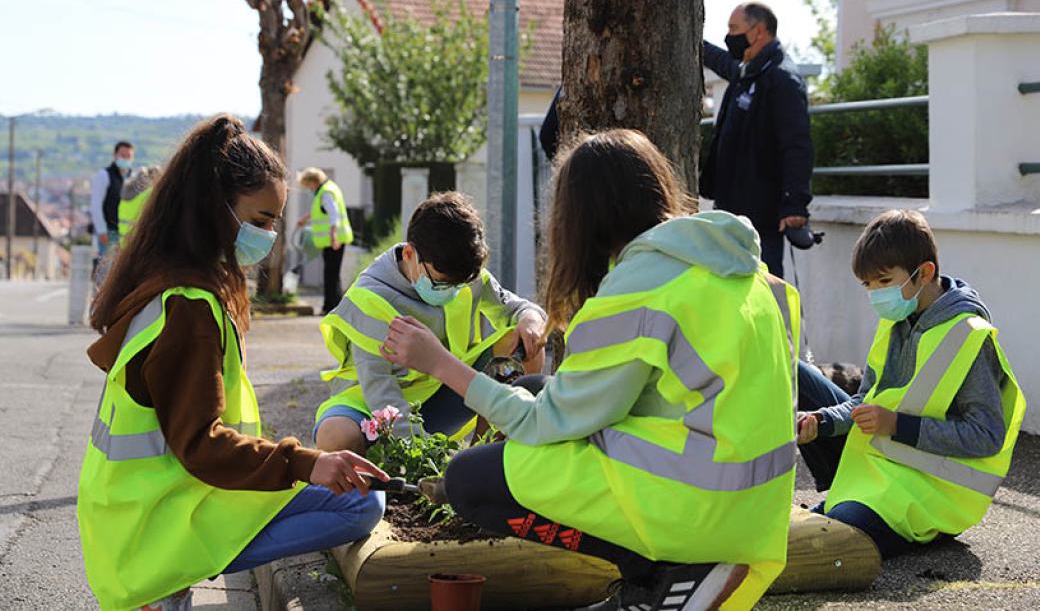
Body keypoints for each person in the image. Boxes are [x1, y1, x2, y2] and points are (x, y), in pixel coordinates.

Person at [381, 130, 801, 611]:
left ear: (580, 217)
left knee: (469, 482)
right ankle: (661, 581)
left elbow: (547, 422)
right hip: (756, 509)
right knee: (538, 385)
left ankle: (670, 572)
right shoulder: (750, 274)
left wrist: (442, 365)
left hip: (698, 510)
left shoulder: (638, 290)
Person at [80, 115, 387, 611]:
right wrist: (305, 463)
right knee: (359, 502)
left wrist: (303, 464)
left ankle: (173, 582)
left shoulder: (168, 281)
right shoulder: (191, 309)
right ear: (214, 210)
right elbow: (202, 443)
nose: (269, 235)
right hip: (162, 525)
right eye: (261, 220)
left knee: (356, 495)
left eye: (275, 222)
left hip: (143, 513)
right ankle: (175, 577)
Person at [795, 209, 1025, 559]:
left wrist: (897, 425)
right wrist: (822, 421)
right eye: (868, 285)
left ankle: (855, 512)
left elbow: (986, 435)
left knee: (830, 533)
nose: (875, 294)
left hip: (934, 492)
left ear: (925, 272)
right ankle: (844, 504)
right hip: (883, 468)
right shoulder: (897, 318)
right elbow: (864, 400)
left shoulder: (969, 337)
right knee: (790, 370)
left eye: (883, 282)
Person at [315, 191, 547, 454]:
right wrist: (425, 457)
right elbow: (381, 393)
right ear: (409, 253)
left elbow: (517, 309)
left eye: (459, 284)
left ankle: (487, 455)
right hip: (375, 407)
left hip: (445, 395)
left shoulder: (464, 274)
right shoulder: (371, 299)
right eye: (440, 282)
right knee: (335, 436)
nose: (452, 291)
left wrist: (532, 317)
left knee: (524, 340)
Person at [700, 2, 813, 278]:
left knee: (764, 283)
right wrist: (695, 41)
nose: (729, 37)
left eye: (734, 29)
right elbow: (722, 62)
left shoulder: (781, 78)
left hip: (762, 213)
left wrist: (795, 204)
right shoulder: (750, 71)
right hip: (733, 208)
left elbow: (797, 145)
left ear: (759, 31)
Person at [296, 168, 354, 315]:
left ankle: (330, 308)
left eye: (308, 185)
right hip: (333, 240)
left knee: (331, 275)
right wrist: (306, 218)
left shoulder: (326, 192)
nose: (309, 188)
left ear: (313, 181)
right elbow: (323, 211)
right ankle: (336, 307)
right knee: (332, 274)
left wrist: (334, 237)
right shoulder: (329, 189)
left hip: (333, 240)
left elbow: (333, 215)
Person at [90, 140, 135, 260]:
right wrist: (101, 230)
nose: (125, 159)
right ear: (115, 155)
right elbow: (96, 205)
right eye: (122, 155)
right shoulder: (104, 175)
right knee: (107, 270)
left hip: (127, 234)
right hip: (109, 231)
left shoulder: (133, 178)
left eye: (128, 156)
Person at [118, 164, 162, 239]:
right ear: (152, 178)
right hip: (139, 240)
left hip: (123, 239)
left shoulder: (125, 193)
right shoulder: (150, 194)